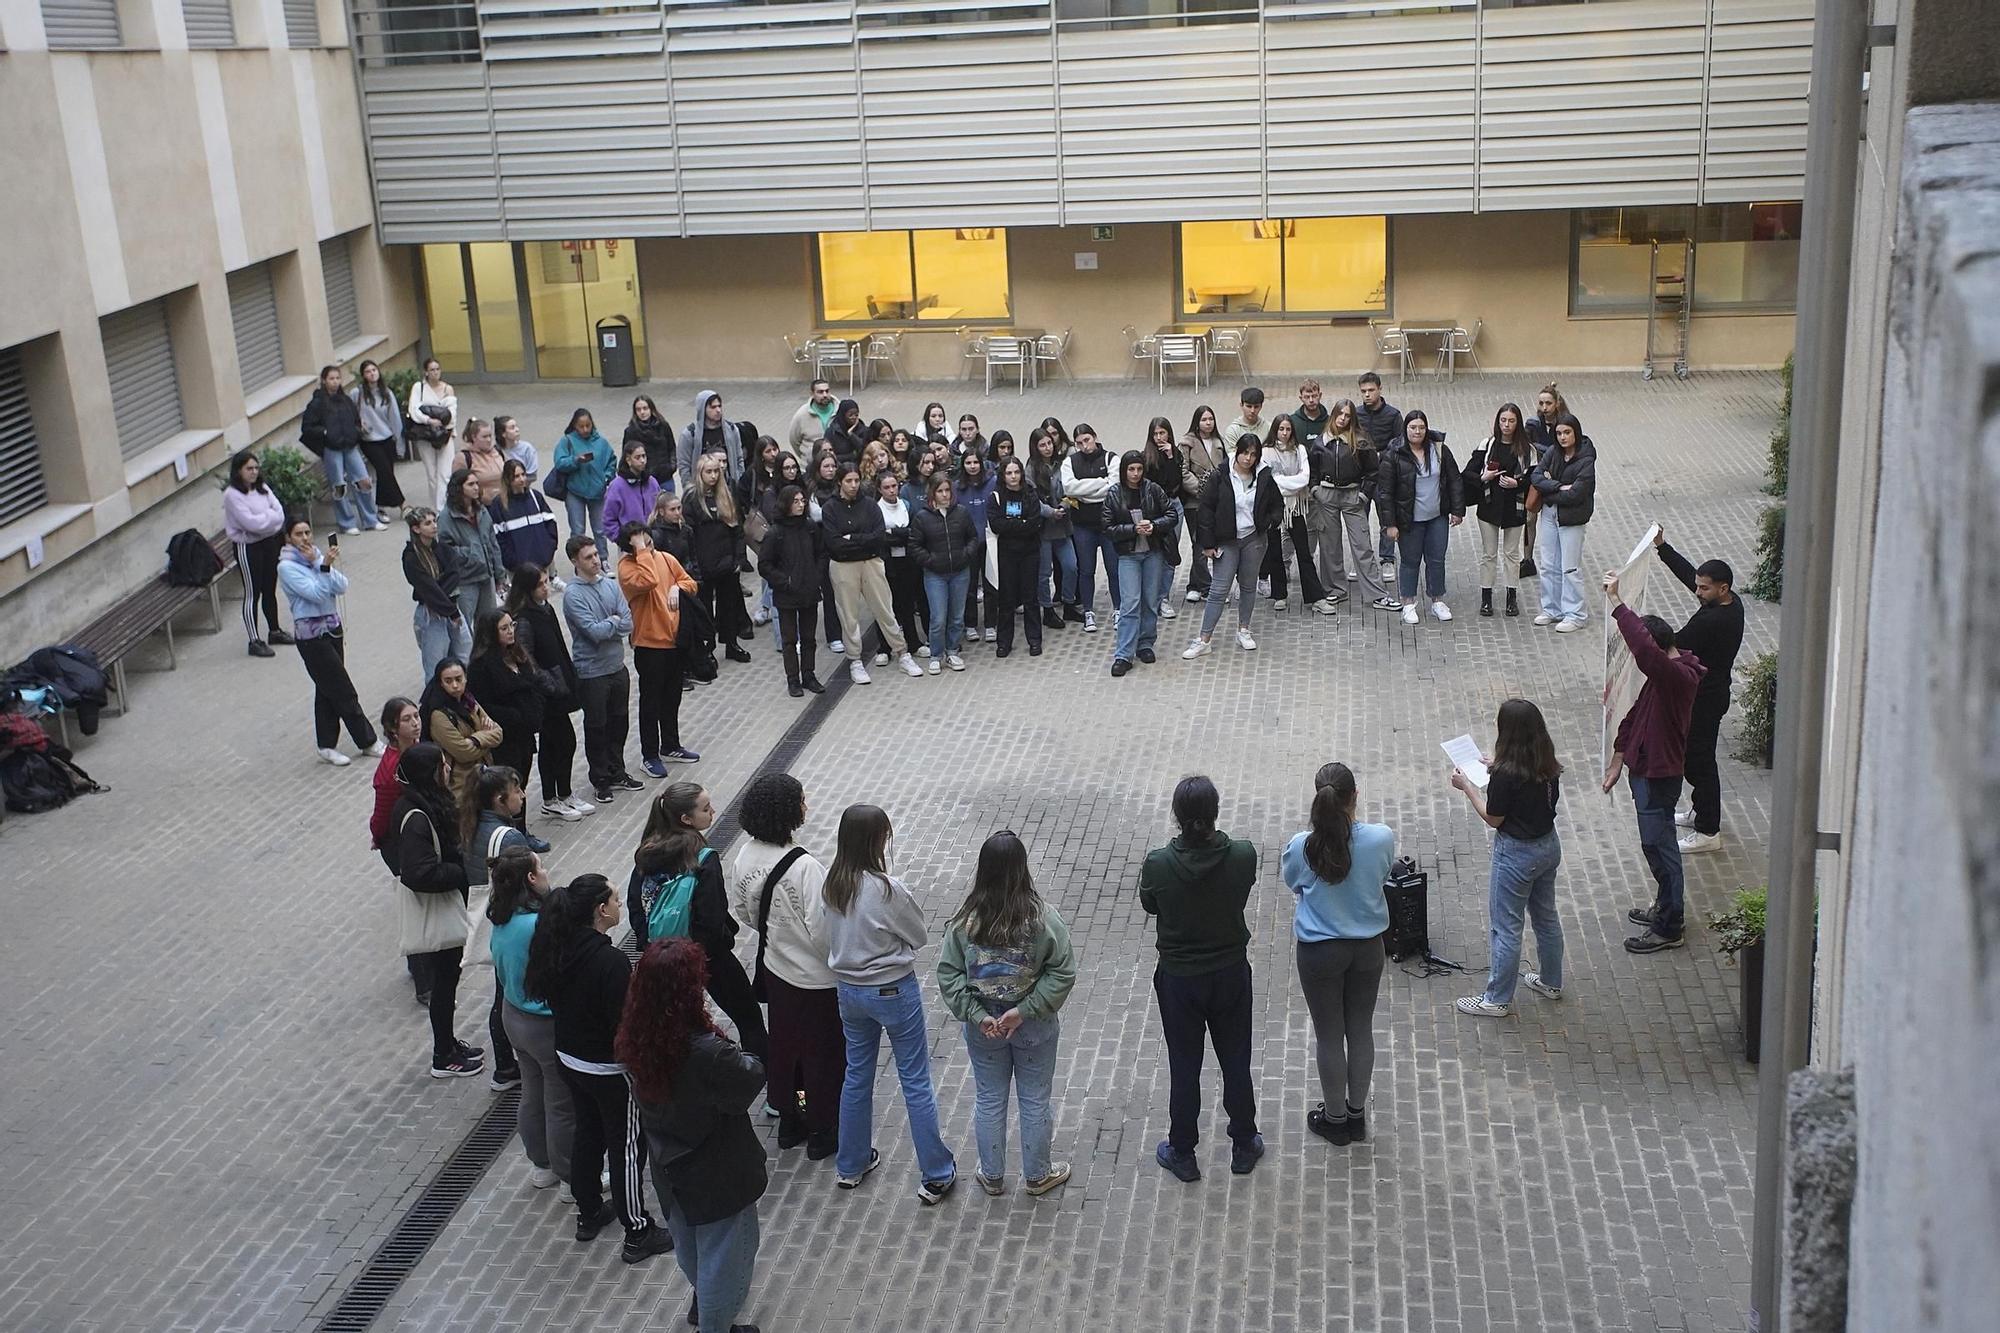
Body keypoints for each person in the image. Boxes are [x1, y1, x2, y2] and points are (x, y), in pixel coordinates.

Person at [620, 937, 768, 1333]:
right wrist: (740, 1051)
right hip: (717, 1170)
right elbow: (748, 1079)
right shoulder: (707, 1052)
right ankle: (715, 1325)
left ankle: (709, 1313)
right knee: (727, 1258)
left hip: (669, 1169)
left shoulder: (635, 1037)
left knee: (692, 1251)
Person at [524, 876, 673, 1264]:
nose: (621, 905)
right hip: (608, 1070)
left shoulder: (558, 947)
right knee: (626, 1146)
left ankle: (588, 1211)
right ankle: (637, 1230)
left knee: (588, 1133)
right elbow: (624, 1022)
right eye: (617, 900)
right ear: (601, 910)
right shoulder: (609, 961)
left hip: (570, 1059)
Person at [822, 804, 957, 1203]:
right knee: (914, 1079)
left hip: (848, 991)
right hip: (893, 990)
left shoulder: (831, 885)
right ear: (877, 841)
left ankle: (851, 1164)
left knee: (857, 1074)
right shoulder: (886, 889)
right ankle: (936, 1172)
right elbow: (918, 935)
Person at [936, 830, 1076, 1197]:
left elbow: (949, 973)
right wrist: (1025, 1009)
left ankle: (993, 1175)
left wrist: (976, 1013)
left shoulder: (964, 922)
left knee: (989, 1097)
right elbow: (1062, 971)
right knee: (1034, 1099)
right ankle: (1037, 1175)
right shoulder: (1043, 919)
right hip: (1033, 1025)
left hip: (984, 1028)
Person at [1141, 776, 1261, 1181]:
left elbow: (1149, 903)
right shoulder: (1243, 855)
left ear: (1176, 817)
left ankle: (1183, 1151)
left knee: (1184, 1065)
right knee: (1236, 1060)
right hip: (1229, 973)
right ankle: (1244, 1142)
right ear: (1215, 812)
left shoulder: (1158, 864)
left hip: (1179, 980)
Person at [729, 772, 839, 1160]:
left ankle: (790, 1120)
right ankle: (822, 1128)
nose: (806, 806)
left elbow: (743, 910)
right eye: (801, 801)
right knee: (821, 1056)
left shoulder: (745, 855)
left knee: (787, 1049)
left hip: (776, 970)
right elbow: (823, 930)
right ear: (787, 812)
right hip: (814, 979)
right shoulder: (805, 867)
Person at [1283, 762, 1394, 1143]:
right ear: (1355, 796)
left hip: (1319, 953)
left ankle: (1333, 1120)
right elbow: (1381, 877)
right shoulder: (1380, 838)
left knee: (1329, 1035)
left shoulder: (1302, 846)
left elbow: (1293, 884)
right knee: (1360, 1028)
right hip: (1367, 948)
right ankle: (1356, 1114)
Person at [627, 782, 770, 1063]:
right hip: (710, 958)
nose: (713, 811)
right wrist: (720, 943)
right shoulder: (703, 858)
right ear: (686, 819)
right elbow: (711, 918)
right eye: (705, 809)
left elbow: (636, 906)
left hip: (664, 957)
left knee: (677, 1023)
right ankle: (762, 1077)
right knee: (749, 1020)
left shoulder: (647, 852)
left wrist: (651, 943)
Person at [1603, 573, 1708, 954]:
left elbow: (1645, 653)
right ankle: (1666, 906)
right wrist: (1617, 759)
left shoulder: (1675, 677)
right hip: (1646, 770)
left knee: (1660, 846)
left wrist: (1617, 605)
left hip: (1659, 775)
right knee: (1657, 845)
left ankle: (1670, 924)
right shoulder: (1664, 678)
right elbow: (1634, 718)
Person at [1450, 701, 1567, 1017]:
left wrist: (1468, 788)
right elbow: (1520, 782)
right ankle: (1550, 981)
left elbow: (1494, 818)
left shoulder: (1506, 774)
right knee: (1545, 916)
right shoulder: (1546, 762)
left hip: (1516, 856)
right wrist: (1494, 767)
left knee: (1506, 928)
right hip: (1547, 847)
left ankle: (1496, 999)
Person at [389, 741, 483, 1078]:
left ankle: (448, 1043)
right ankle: (443, 1055)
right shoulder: (415, 816)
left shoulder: (423, 802)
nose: (447, 770)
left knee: (449, 980)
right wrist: (460, 872)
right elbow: (419, 872)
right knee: (444, 984)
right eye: (442, 766)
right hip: (436, 907)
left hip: (443, 901)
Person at [488, 845, 576, 1193]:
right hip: (545, 1024)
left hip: (515, 1016)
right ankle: (571, 1177)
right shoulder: (537, 924)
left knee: (532, 1093)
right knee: (561, 1103)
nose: (546, 873)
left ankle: (542, 1166)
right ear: (530, 878)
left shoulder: (502, 917)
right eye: (541, 868)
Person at [1652, 528, 1745, 854]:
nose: (1697, 591)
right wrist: (1663, 548)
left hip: (1706, 699)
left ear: (1723, 588)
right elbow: (1691, 575)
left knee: (1698, 761)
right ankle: (1700, 812)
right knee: (1699, 758)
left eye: (1704, 588)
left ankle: (1708, 830)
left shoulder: (1712, 622)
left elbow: (1673, 641)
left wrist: (1635, 626)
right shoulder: (1731, 603)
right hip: (1711, 693)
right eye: (1699, 586)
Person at [276, 516, 381, 766]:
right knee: (343, 690)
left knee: (327, 690)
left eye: (307, 532)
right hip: (312, 637)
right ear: (289, 538)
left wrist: (323, 564)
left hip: (333, 629)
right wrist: (322, 567)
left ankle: (326, 745)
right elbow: (315, 593)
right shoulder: (287, 567)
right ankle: (367, 741)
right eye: (298, 534)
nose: (305, 538)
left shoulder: (315, 557)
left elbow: (341, 585)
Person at [459, 763, 530, 1086]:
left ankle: (504, 1065)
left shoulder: (474, 825)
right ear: (500, 799)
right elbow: (525, 884)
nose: (522, 796)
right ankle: (507, 1066)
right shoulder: (509, 836)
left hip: (494, 919)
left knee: (501, 993)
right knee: (508, 996)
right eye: (517, 790)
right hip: (512, 921)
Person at [821, 464, 923, 683]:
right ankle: (855, 660)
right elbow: (834, 543)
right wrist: (859, 540)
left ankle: (902, 653)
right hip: (843, 566)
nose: (853, 485)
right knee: (849, 615)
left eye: (856, 480)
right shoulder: (830, 508)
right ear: (840, 482)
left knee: (885, 610)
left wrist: (852, 538)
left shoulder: (869, 505)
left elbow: (878, 537)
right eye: (848, 481)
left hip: (871, 562)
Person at [1183, 433, 1282, 659]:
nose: (1248, 458)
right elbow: (1206, 509)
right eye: (1245, 453)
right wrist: (1207, 544)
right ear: (1237, 452)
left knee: (1248, 586)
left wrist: (1268, 522)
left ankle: (1244, 630)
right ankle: (1204, 639)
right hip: (1226, 540)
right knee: (1219, 589)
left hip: (1253, 539)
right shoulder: (1221, 475)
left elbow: (1277, 505)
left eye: (1253, 454)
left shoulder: (1264, 476)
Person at [505, 563, 590, 822]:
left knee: (563, 742)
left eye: (546, 581)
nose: (546, 587)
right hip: (545, 695)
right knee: (557, 743)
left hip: (559, 687)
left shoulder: (546, 609)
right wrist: (549, 686)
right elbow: (528, 659)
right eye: (541, 584)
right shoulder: (524, 619)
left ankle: (564, 793)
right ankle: (551, 798)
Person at [563, 535, 643, 805]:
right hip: (592, 672)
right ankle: (600, 778)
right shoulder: (573, 595)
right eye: (588, 557)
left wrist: (611, 623)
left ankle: (617, 770)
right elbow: (593, 633)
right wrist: (613, 622)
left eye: (596, 554)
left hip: (616, 666)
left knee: (619, 721)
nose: (596, 560)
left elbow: (628, 621)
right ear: (575, 561)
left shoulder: (610, 584)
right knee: (597, 726)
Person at [618, 524, 702, 777]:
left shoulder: (665, 558)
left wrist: (678, 587)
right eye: (640, 542)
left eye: (647, 539)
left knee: (672, 696)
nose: (647, 544)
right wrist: (641, 551)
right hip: (649, 644)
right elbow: (649, 580)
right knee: (651, 702)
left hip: (674, 641)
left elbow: (690, 582)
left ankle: (671, 744)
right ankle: (649, 754)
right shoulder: (627, 569)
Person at [466, 610, 550, 852]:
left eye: (511, 625)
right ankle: (510, 836)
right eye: (504, 628)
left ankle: (521, 830)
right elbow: (483, 705)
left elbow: (532, 684)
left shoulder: (517, 655)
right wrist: (515, 716)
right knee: (506, 789)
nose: (510, 631)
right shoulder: (481, 666)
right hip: (505, 739)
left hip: (525, 735)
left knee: (520, 785)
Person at [371, 695, 432, 1010]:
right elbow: (381, 812)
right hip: (400, 845)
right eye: (407, 719)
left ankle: (418, 966)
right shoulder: (391, 767)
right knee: (416, 908)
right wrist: (377, 836)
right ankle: (423, 982)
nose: (415, 723)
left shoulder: (417, 751)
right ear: (392, 729)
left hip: (416, 837)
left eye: (416, 716)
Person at [1377, 410, 1465, 625]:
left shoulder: (1439, 450)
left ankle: (1437, 601)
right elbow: (1385, 492)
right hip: (1409, 519)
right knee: (1410, 561)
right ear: (1405, 429)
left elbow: (1454, 480)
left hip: (1437, 517)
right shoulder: (1394, 453)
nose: (1417, 432)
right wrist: (1390, 524)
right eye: (1413, 428)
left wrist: (1458, 510)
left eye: (1421, 427)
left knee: (1436, 560)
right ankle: (1408, 603)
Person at [1105, 449, 1179, 677]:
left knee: (1149, 599)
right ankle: (1123, 654)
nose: (1135, 474)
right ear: (1124, 471)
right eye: (1131, 469)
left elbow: (1172, 514)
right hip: (1128, 555)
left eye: (1139, 469)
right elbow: (1108, 526)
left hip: (1152, 553)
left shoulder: (1153, 489)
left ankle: (1145, 643)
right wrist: (1131, 529)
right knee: (1130, 603)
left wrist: (1154, 525)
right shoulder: (1115, 493)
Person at [1317, 399, 1395, 613]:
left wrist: (1363, 495)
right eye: (1340, 414)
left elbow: (1373, 471)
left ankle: (1376, 594)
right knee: (1329, 546)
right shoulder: (1321, 441)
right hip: (1327, 496)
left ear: (1353, 418)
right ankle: (1335, 589)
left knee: (1362, 545)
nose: (1343, 418)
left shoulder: (1361, 440)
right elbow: (1313, 468)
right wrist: (1316, 489)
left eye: (1347, 415)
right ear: (1333, 415)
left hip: (1352, 495)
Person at [1462, 403, 1536, 618]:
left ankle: (1511, 598)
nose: (1506, 425)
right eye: (1503, 420)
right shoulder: (1488, 445)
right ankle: (1486, 599)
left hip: (1515, 507)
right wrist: (1483, 477)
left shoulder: (1527, 450)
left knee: (1512, 554)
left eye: (1511, 421)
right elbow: (1467, 473)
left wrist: (1517, 483)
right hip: (1489, 506)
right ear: (1497, 422)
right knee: (1489, 554)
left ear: (1518, 423)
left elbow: (1534, 477)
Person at [1529, 411, 1597, 632]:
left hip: (1572, 519)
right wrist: (1558, 487)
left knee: (1569, 567)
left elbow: (1577, 493)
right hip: (1549, 515)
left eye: (1567, 432)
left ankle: (1575, 614)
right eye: (1558, 433)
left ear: (1575, 433)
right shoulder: (1552, 452)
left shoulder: (1586, 460)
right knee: (1548, 565)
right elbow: (1537, 477)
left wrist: (1550, 489)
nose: (1562, 437)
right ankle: (1551, 609)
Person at [301, 365, 386, 535]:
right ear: (324, 381)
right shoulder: (317, 403)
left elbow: (355, 419)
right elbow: (307, 427)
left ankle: (370, 519)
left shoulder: (345, 400)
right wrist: (325, 433)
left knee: (364, 481)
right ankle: (347, 523)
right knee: (339, 486)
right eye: (331, 379)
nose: (335, 382)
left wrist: (356, 431)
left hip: (350, 445)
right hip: (332, 449)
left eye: (337, 378)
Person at [222, 449, 289, 657]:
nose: (253, 472)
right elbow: (250, 523)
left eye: (256, 468)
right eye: (248, 468)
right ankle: (254, 640)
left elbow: (279, 513)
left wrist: (265, 520)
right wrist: (267, 519)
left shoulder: (262, 488)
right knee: (253, 592)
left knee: (269, 588)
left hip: (269, 543)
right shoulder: (232, 495)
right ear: (238, 471)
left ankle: (274, 630)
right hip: (247, 547)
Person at [759, 485, 825, 697]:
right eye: (795, 501)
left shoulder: (810, 527)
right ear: (786, 504)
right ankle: (793, 679)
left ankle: (809, 674)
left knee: (809, 638)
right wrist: (784, 581)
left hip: (809, 590)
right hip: (787, 594)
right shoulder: (775, 533)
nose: (800, 505)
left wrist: (816, 576)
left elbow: (821, 554)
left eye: (802, 501)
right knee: (789, 640)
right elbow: (765, 565)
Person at [688, 453, 754, 664]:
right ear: (700, 473)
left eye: (717, 471)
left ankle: (731, 644)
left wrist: (738, 559)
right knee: (705, 608)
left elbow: (737, 531)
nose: (714, 475)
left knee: (728, 606)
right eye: (709, 471)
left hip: (727, 563)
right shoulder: (691, 498)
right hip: (704, 564)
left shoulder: (726, 494)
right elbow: (688, 535)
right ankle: (708, 648)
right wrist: (694, 566)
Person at [910, 473, 977, 674]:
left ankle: (952, 651)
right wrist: (930, 561)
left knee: (957, 617)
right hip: (935, 575)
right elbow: (914, 545)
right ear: (932, 493)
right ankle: (936, 655)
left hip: (960, 571)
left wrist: (966, 555)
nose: (945, 495)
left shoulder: (962, 513)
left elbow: (973, 537)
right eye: (940, 491)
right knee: (938, 617)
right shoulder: (922, 517)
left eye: (948, 490)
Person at [1259, 414, 1325, 613]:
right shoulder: (1266, 452)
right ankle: (1279, 594)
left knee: (1304, 553)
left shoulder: (1300, 449)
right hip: (1273, 509)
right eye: (1281, 429)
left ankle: (1315, 597)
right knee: (1274, 552)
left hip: (1296, 508)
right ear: (1275, 430)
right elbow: (1271, 481)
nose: (1285, 433)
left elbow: (1304, 478)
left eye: (1288, 429)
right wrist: (1289, 484)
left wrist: (1285, 484)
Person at [1058, 423, 1116, 633]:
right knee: (1086, 570)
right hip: (1083, 526)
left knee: (1113, 569)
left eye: (1087, 440)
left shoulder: (1111, 458)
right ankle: (1089, 611)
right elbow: (1069, 488)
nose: (1084, 445)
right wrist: (1100, 483)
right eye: (1079, 442)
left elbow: (1114, 488)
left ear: (1095, 437)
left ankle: (1118, 609)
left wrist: (1084, 490)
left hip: (1108, 525)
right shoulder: (1069, 462)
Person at [402, 507, 470, 681]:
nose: (434, 526)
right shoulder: (411, 557)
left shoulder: (442, 549)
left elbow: (454, 573)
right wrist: (450, 609)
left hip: (451, 607)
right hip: (431, 613)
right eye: (427, 523)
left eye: (434, 521)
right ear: (416, 529)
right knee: (436, 666)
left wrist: (441, 592)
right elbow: (427, 589)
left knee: (465, 655)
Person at [421, 657, 500, 806]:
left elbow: (498, 732)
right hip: (462, 787)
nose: (455, 685)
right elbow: (464, 753)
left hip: (483, 775)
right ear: (440, 683)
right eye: (448, 681)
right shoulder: (439, 715)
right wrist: (484, 736)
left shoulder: (469, 700)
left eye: (458, 679)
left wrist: (474, 740)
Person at [987, 458, 1045, 658]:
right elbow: (996, 525)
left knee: (1030, 598)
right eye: (1009, 473)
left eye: (1016, 472)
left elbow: (1035, 523)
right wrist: (1020, 524)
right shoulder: (996, 496)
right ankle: (1004, 642)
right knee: (1006, 599)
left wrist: (1013, 524)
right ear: (1003, 476)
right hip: (1006, 554)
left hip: (1029, 552)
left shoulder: (1030, 494)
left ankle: (1035, 640)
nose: (1013, 477)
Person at [440, 467, 505, 627]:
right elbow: (445, 550)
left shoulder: (482, 511)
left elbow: (493, 543)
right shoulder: (446, 517)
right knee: (466, 625)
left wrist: (499, 574)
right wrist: (471, 555)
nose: (476, 487)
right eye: (471, 484)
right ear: (459, 488)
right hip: (465, 580)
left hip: (486, 576)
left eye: (477, 483)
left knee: (488, 624)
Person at [875, 472, 928, 661]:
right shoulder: (876, 509)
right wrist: (898, 534)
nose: (891, 490)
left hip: (907, 563)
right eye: (887, 487)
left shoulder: (905, 505)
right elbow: (880, 537)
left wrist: (895, 533)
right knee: (886, 606)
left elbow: (913, 532)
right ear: (879, 489)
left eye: (894, 486)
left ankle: (913, 643)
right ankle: (884, 647)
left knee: (907, 604)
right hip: (887, 564)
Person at [1178, 404, 1228, 603]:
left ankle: (1194, 585)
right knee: (1199, 543)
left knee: (1209, 542)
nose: (1208, 423)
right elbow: (1183, 471)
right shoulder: (1187, 443)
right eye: (1204, 419)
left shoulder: (1218, 442)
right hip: (1194, 502)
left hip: (1214, 501)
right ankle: (1207, 587)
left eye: (1211, 419)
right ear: (1197, 422)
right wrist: (1201, 489)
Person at [1355, 372, 1405, 571]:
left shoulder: (1393, 415)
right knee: (1359, 520)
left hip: (1385, 475)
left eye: (1371, 390)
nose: (1367, 395)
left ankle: (1387, 559)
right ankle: (1363, 559)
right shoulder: (1356, 414)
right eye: (1363, 391)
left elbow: (1400, 444)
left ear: (1380, 389)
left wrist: (1382, 455)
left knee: (1387, 516)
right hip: (1361, 476)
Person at [1027, 430, 1075, 630]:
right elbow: (1030, 499)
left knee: (1071, 566)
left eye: (1049, 443)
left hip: (1063, 526)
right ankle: (1047, 609)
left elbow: (1072, 491)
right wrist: (1049, 512)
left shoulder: (1062, 465)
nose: (1047, 448)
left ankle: (1068, 602)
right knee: (1044, 573)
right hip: (1043, 528)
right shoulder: (1030, 469)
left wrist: (1065, 505)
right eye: (1042, 445)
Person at [1521, 381, 1570, 579]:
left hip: (1558, 477)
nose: (1544, 408)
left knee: (1555, 518)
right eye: (1541, 403)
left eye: (1548, 403)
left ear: (1556, 403)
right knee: (1529, 517)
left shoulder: (1565, 423)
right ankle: (1527, 559)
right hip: (1536, 475)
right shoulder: (1533, 424)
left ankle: (1558, 558)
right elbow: (1526, 446)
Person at [1141, 417, 1187, 616]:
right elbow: (1152, 485)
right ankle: (1151, 598)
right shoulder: (1145, 458)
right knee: (1154, 554)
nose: (1159, 438)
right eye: (1156, 434)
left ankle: (1164, 598)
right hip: (1154, 510)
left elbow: (1175, 481)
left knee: (1170, 553)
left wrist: (1170, 458)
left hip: (1173, 506)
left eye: (1163, 433)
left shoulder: (1176, 454)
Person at [553, 409, 616, 544]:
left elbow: (612, 461)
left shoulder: (602, 442)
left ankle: (602, 559)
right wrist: (575, 460)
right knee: (577, 530)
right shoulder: (567, 441)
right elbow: (559, 463)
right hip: (575, 491)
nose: (585, 429)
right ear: (574, 426)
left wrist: (606, 477)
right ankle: (579, 561)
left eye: (588, 425)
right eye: (581, 426)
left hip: (597, 491)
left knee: (600, 530)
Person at [954, 451, 997, 644]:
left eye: (976, 462)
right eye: (968, 462)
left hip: (989, 541)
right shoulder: (957, 487)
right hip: (967, 543)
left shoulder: (992, 482)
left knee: (990, 585)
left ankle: (990, 625)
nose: (972, 466)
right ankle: (970, 624)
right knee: (969, 586)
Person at [353, 359, 406, 513]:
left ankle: (380, 508)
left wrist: (399, 443)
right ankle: (403, 505)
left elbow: (395, 418)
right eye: (368, 371)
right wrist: (359, 422)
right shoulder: (358, 393)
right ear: (363, 375)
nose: (372, 374)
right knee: (384, 471)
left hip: (387, 438)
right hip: (369, 440)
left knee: (386, 474)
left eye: (374, 370)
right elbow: (350, 413)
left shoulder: (386, 392)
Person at [678, 390, 754, 496]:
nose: (718, 410)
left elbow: (739, 458)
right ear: (702, 409)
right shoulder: (690, 434)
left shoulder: (731, 430)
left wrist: (738, 481)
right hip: (702, 490)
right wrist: (690, 490)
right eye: (713, 407)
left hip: (728, 488)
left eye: (719, 406)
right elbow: (684, 466)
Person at [407, 358, 459, 512]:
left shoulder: (447, 389)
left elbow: (452, 412)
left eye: (437, 369)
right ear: (426, 372)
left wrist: (444, 426)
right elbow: (414, 409)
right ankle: (435, 508)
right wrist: (428, 420)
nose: (435, 372)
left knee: (446, 473)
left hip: (444, 435)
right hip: (425, 436)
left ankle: (443, 508)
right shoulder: (419, 388)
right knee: (432, 474)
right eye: (432, 370)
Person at [490, 459, 558, 575]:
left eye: (523, 475)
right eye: (516, 476)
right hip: (519, 570)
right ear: (508, 479)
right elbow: (498, 537)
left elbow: (550, 523)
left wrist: (548, 550)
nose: (522, 479)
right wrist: (512, 561)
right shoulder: (499, 504)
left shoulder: (535, 497)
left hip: (542, 563)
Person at [603, 441, 663, 550]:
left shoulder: (652, 482)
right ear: (628, 460)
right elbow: (608, 519)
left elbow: (660, 508)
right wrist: (621, 540)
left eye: (644, 456)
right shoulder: (617, 486)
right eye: (637, 457)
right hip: (630, 543)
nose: (642, 460)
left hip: (653, 540)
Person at [624, 396, 673, 488]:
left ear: (651, 409)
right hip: (644, 479)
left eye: (645, 408)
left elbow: (672, 447)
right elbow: (627, 455)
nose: (642, 412)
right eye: (638, 409)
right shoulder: (631, 431)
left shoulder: (663, 426)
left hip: (665, 477)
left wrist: (671, 467)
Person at [456, 417, 507, 507]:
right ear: (474, 437)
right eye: (484, 437)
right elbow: (457, 487)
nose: (488, 440)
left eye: (490, 436)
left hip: (504, 504)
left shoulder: (497, 451)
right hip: (481, 507)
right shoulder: (464, 457)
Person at [789, 378, 837, 455]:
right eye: (820, 392)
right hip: (810, 463)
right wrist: (807, 456)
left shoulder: (840, 410)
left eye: (827, 391)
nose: (825, 395)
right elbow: (794, 440)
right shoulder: (801, 415)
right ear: (812, 394)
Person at [495, 415, 540, 486]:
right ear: (503, 434)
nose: (517, 429)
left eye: (516, 426)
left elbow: (532, 476)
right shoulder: (495, 451)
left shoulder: (527, 448)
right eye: (512, 428)